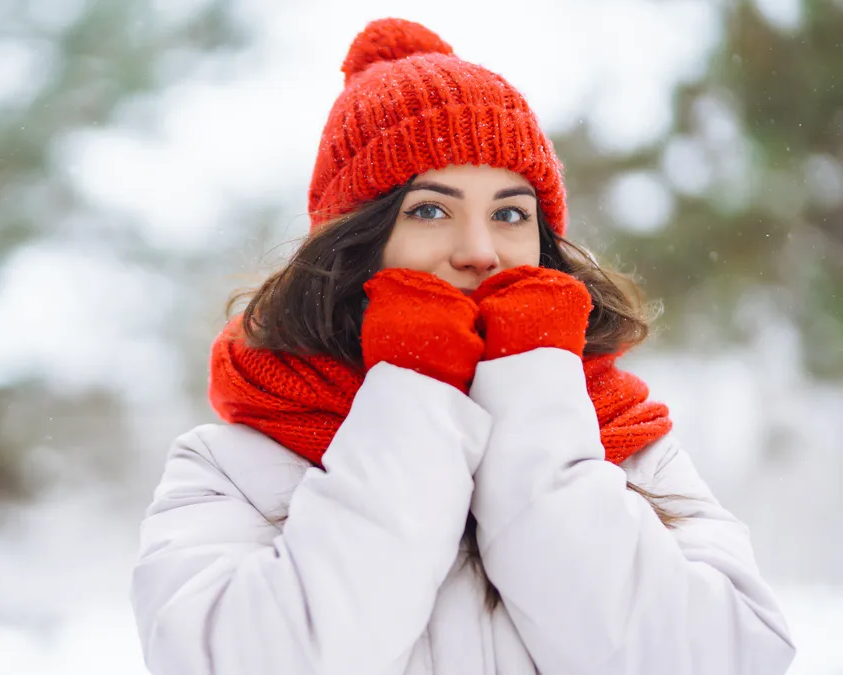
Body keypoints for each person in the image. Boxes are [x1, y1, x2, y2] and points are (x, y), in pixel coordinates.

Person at [129, 17, 795, 675]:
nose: (479, 251)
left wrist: (533, 398)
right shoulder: (231, 466)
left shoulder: (633, 447)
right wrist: (414, 395)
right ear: (354, 240)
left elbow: (725, 659)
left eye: (510, 213)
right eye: (429, 209)